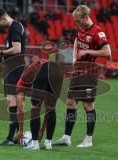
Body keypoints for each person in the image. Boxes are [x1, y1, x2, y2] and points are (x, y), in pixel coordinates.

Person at [54, 5, 111, 148]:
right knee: (70, 102)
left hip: (89, 73)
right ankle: (66, 138)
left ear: (86, 17)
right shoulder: (80, 28)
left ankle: (88, 140)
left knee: (88, 104)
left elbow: (107, 52)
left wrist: (88, 52)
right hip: (77, 71)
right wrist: (74, 56)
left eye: (78, 21)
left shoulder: (98, 32)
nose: (77, 24)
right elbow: (76, 41)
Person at [0, 7, 26, 146]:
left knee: (14, 102)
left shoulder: (15, 27)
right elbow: (12, 49)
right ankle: (14, 138)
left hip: (16, 68)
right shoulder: (13, 28)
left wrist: (0, 53)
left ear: (4, 18)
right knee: (12, 103)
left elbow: (17, 49)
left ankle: (12, 138)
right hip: (12, 68)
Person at [16, 58, 63, 150]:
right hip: (57, 70)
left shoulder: (20, 84)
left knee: (35, 107)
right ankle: (48, 143)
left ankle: (34, 144)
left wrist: (20, 131)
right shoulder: (30, 78)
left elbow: (21, 110)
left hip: (42, 69)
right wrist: (42, 130)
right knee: (51, 108)